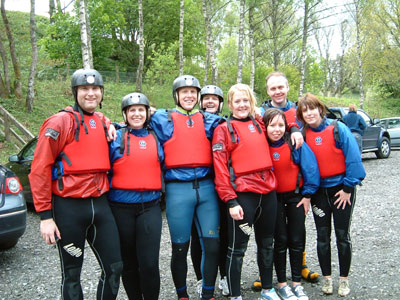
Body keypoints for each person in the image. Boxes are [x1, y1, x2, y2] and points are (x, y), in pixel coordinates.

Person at [29, 68, 123, 300]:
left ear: (101, 93)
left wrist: (109, 122)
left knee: (115, 268)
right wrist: (45, 217)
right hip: (68, 208)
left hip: (100, 206)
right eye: (84, 89)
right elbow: (39, 169)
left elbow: (100, 119)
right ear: (75, 92)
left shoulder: (100, 120)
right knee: (72, 275)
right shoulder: (60, 122)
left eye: (95, 89)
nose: (90, 94)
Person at [150, 75, 220, 300]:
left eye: (193, 92)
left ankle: (208, 294)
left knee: (211, 246)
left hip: (207, 189)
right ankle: (182, 295)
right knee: (180, 249)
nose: (189, 96)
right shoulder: (163, 118)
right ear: (176, 96)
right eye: (184, 92)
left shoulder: (210, 120)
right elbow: (134, 120)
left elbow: (239, 123)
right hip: (178, 190)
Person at [253, 72, 319, 292]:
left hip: (296, 183)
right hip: (272, 192)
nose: (277, 91)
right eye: (273, 88)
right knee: (274, 235)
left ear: (288, 87)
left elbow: (315, 122)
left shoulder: (298, 111)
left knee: (296, 232)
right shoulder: (260, 112)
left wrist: (308, 193)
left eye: (281, 87)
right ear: (267, 90)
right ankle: (269, 275)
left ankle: (299, 269)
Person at [212, 83, 279, 300]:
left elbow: (281, 122)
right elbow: (220, 168)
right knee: (237, 249)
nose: (242, 105)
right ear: (230, 104)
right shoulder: (224, 129)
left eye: (246, 100)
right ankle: (235, 295)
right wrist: (230, 201)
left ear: (252, 103)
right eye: (238, 101)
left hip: (268, 193)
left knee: (267, 243)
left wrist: (295, 129)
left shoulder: (259, 123)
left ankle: (268, 289)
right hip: (243, 196)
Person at [296, 93, 366, 297]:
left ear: (320, 109)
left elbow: (353, 158)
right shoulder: (303, 134)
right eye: (304, 110)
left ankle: (343, 279)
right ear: (301, 114)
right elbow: (301, 166)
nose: (309, 113)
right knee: (322, 237)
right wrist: (306, 194)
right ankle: (327, 278)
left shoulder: (338, 128)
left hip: (341, 190)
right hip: (318, 193)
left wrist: (347, 188)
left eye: (312, 108)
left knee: (342, 235)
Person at [108, 93, 163, 300]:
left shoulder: (157, 136)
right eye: (132, 110)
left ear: (148, 113)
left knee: (149, 263)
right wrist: (109, 123)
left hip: (149, 207)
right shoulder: (115, 137)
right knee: (128, 262)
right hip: (120, 209)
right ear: (125, 114)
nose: (137, 114)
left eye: (142, 110)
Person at [263, 108, 320, 300]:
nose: (277, 130)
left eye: (280, 125)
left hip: (295, 197)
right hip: (273, 199)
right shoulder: (262, 145)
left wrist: (308, 195)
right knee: (280, 241)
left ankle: (296, 283)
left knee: (296, 240)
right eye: (272, 126)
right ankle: (282, 284)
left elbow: (310, 168)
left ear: (286, 127)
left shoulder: (294, 142)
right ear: (265, 127)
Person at [190, 85, 229, 297]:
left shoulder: (226, 124)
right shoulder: (190, 123)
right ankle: (201, 278)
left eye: (214, 98)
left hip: (222, 187)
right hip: (200, 186)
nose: (210, 102)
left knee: (221, 235)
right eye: (206, 99)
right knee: (198, 237)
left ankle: (223, 276)